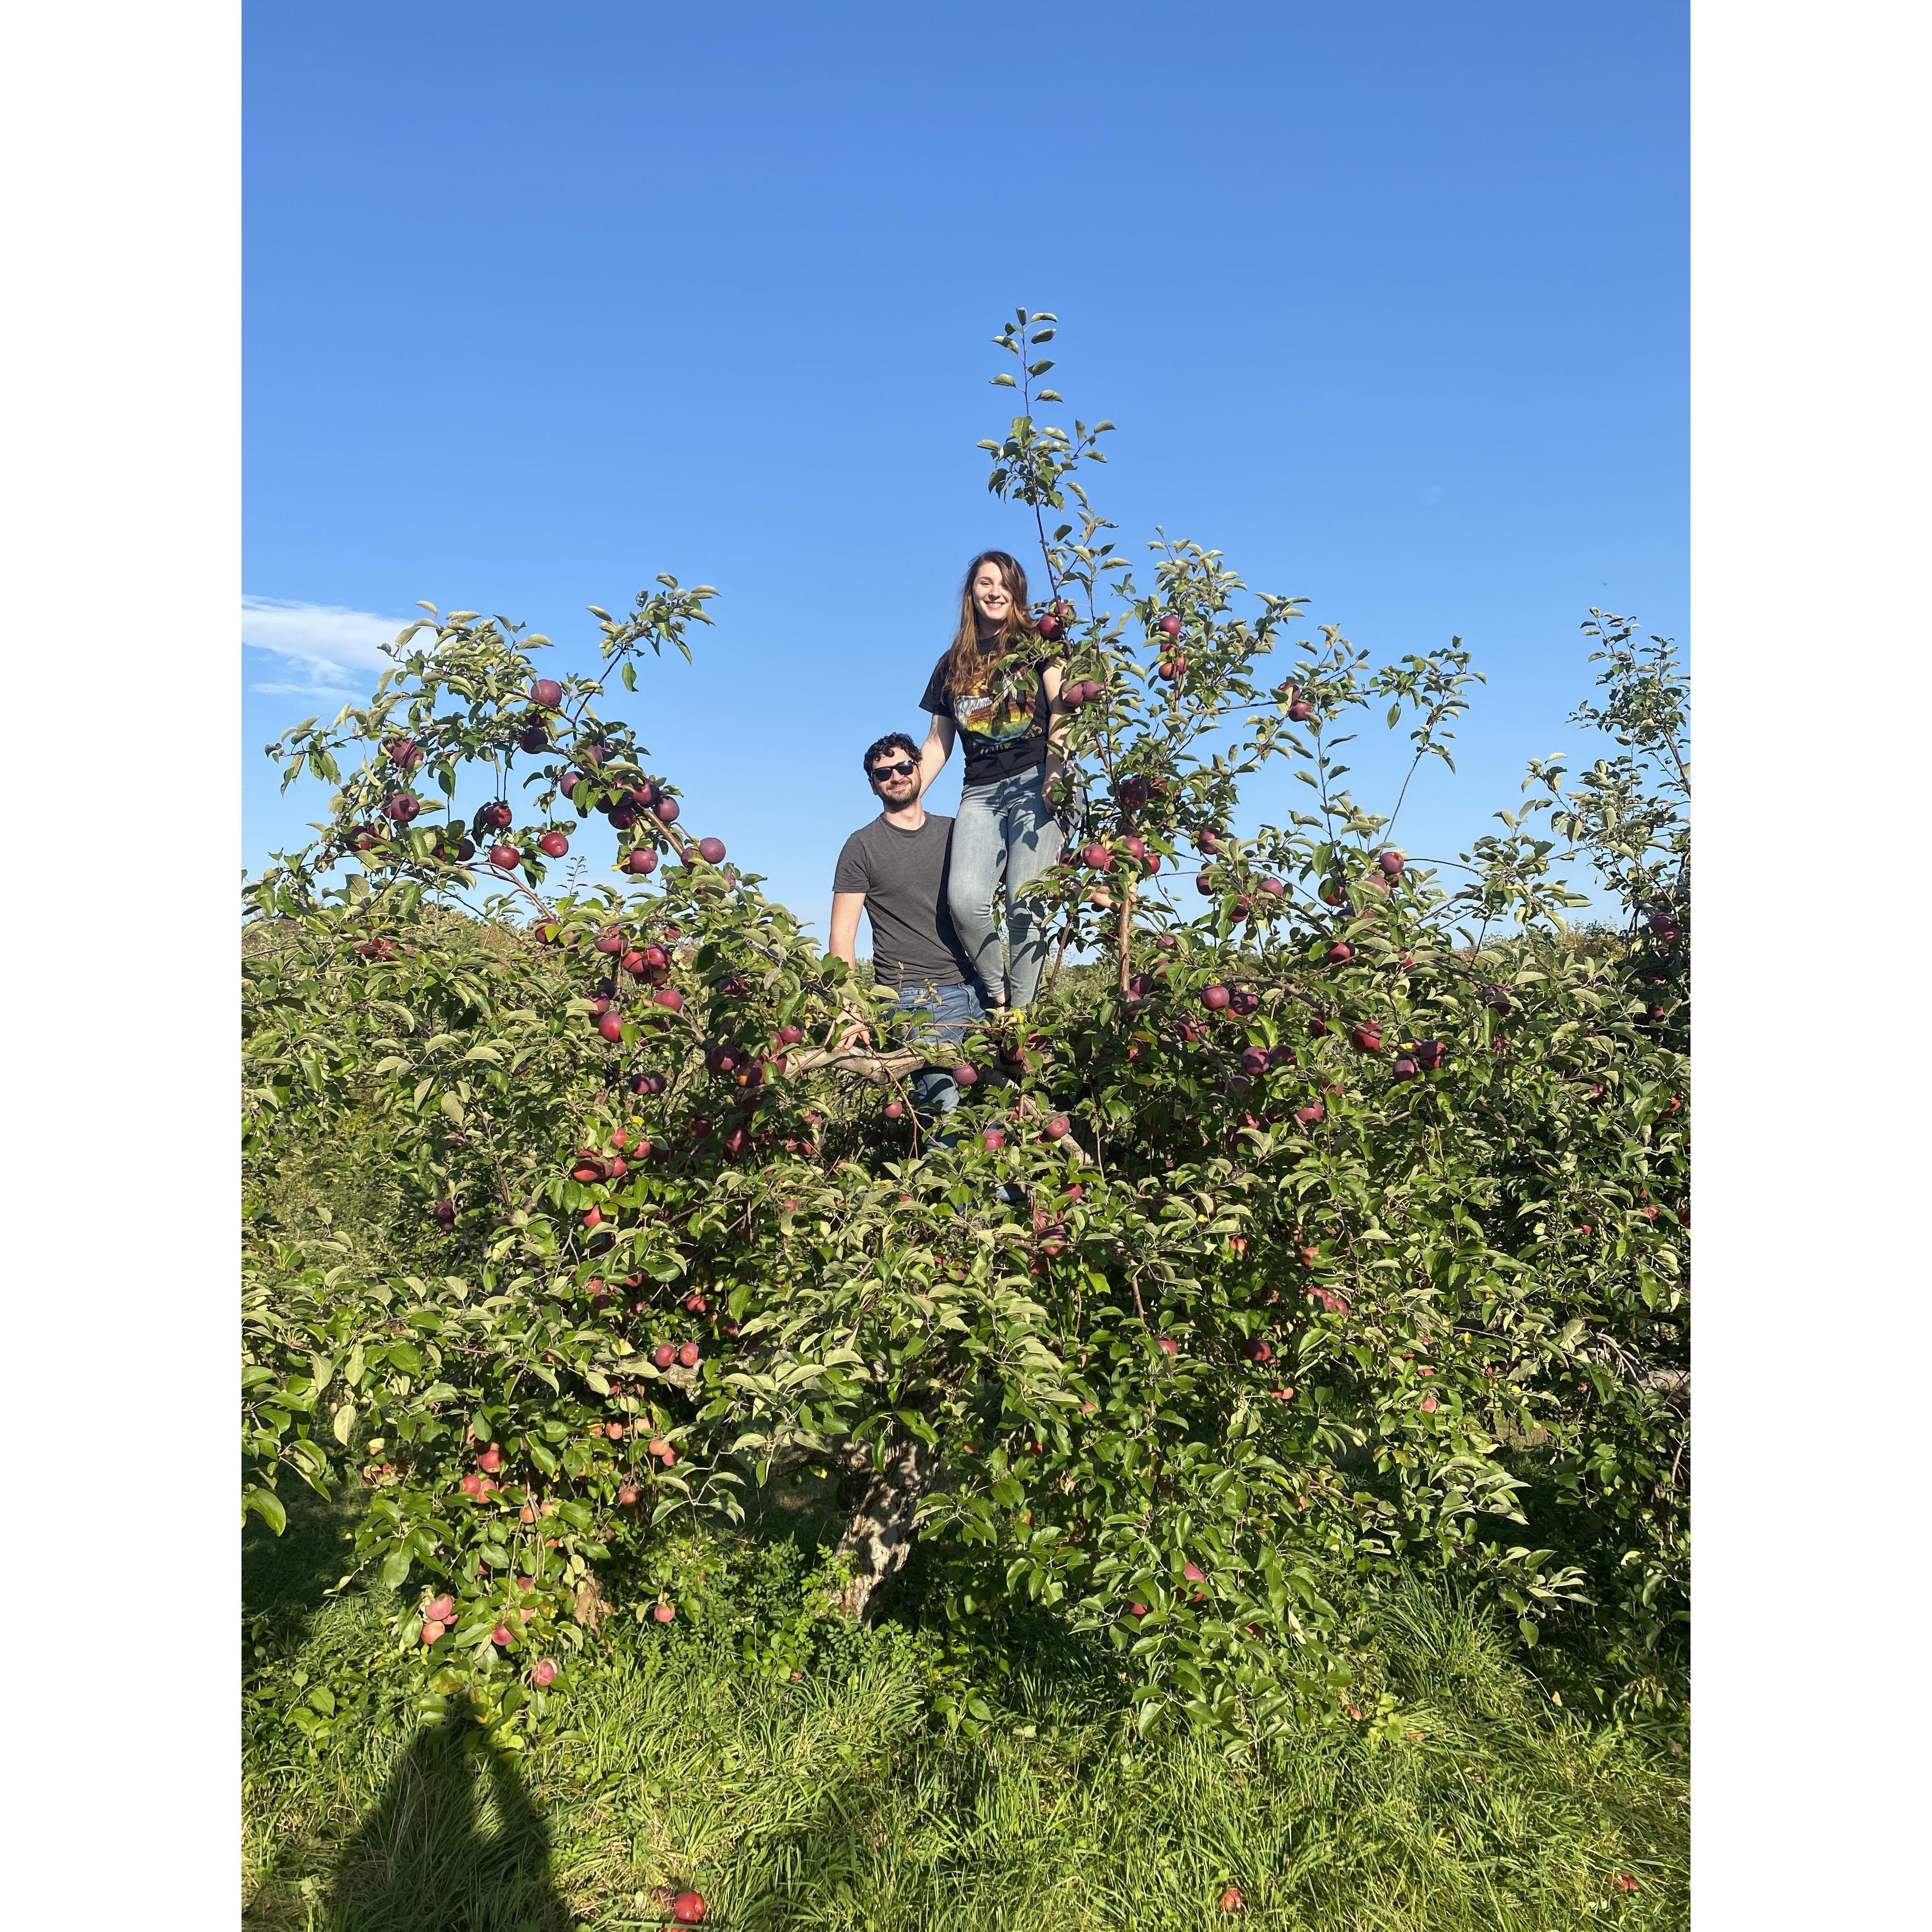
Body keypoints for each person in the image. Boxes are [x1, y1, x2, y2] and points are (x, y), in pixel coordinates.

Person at [914, 550, 1069, 1024]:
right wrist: (907, 795)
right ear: (971, 592)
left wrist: (1056, 772)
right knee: (964, 900)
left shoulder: (1041, 642)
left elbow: (1062, 713)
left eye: (1004, 584)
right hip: (979, 791)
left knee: (1027, 903)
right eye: (985, 583)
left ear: (1016, 592)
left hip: (1035, 782)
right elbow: (938, 742)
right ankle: (999, 995)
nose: (995, 591)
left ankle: (1019, 1019)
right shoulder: (952, 662)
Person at [829, 732, 983, 1138]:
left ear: (919, 768)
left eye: (902, 767)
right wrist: (849, 1005)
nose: (895, 777)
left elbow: (1017, 874)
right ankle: (955, 1201)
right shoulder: (861, 847)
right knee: (947, 1114)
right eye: (883, 773)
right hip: (915, 997)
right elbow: (843, 933)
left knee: (997, 1110)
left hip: (980, 986)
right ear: (873, 784)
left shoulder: (957, 833)